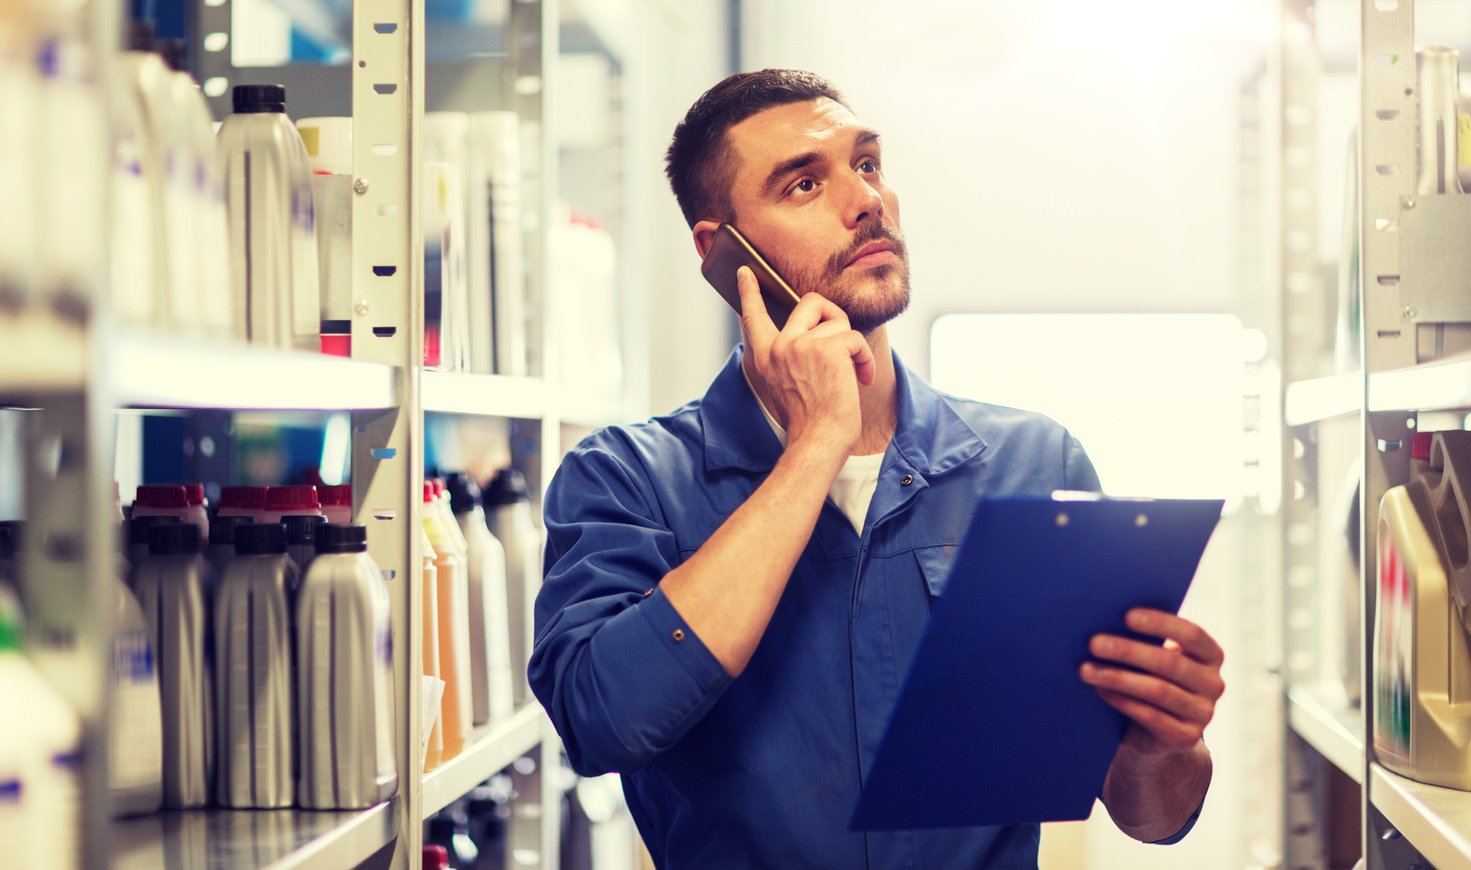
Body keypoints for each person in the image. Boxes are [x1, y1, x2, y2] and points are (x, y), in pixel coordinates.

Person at [529, 69, 1226, 869]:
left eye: (867, 164)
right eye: (801, 184)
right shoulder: (626, 479)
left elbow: (1148, 818)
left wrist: (1157, 746)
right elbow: (598, 723)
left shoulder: (1034, 462)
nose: (866, 201)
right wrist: (816, 442)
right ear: (720, 252)